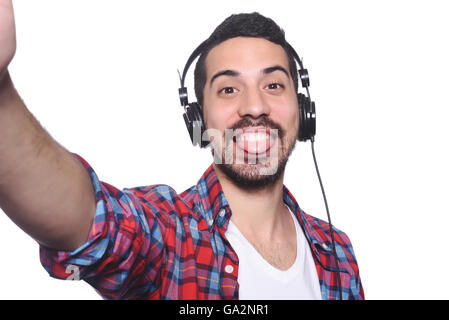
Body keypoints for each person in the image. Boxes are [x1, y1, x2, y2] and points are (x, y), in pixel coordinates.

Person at [0, 0, 363, 300]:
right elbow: (93, 223)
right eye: (229, 90)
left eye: (273, 84)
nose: (255, 107)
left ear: (302, 109)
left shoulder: (336, 251)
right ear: (198, 120)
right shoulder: (171, 233)